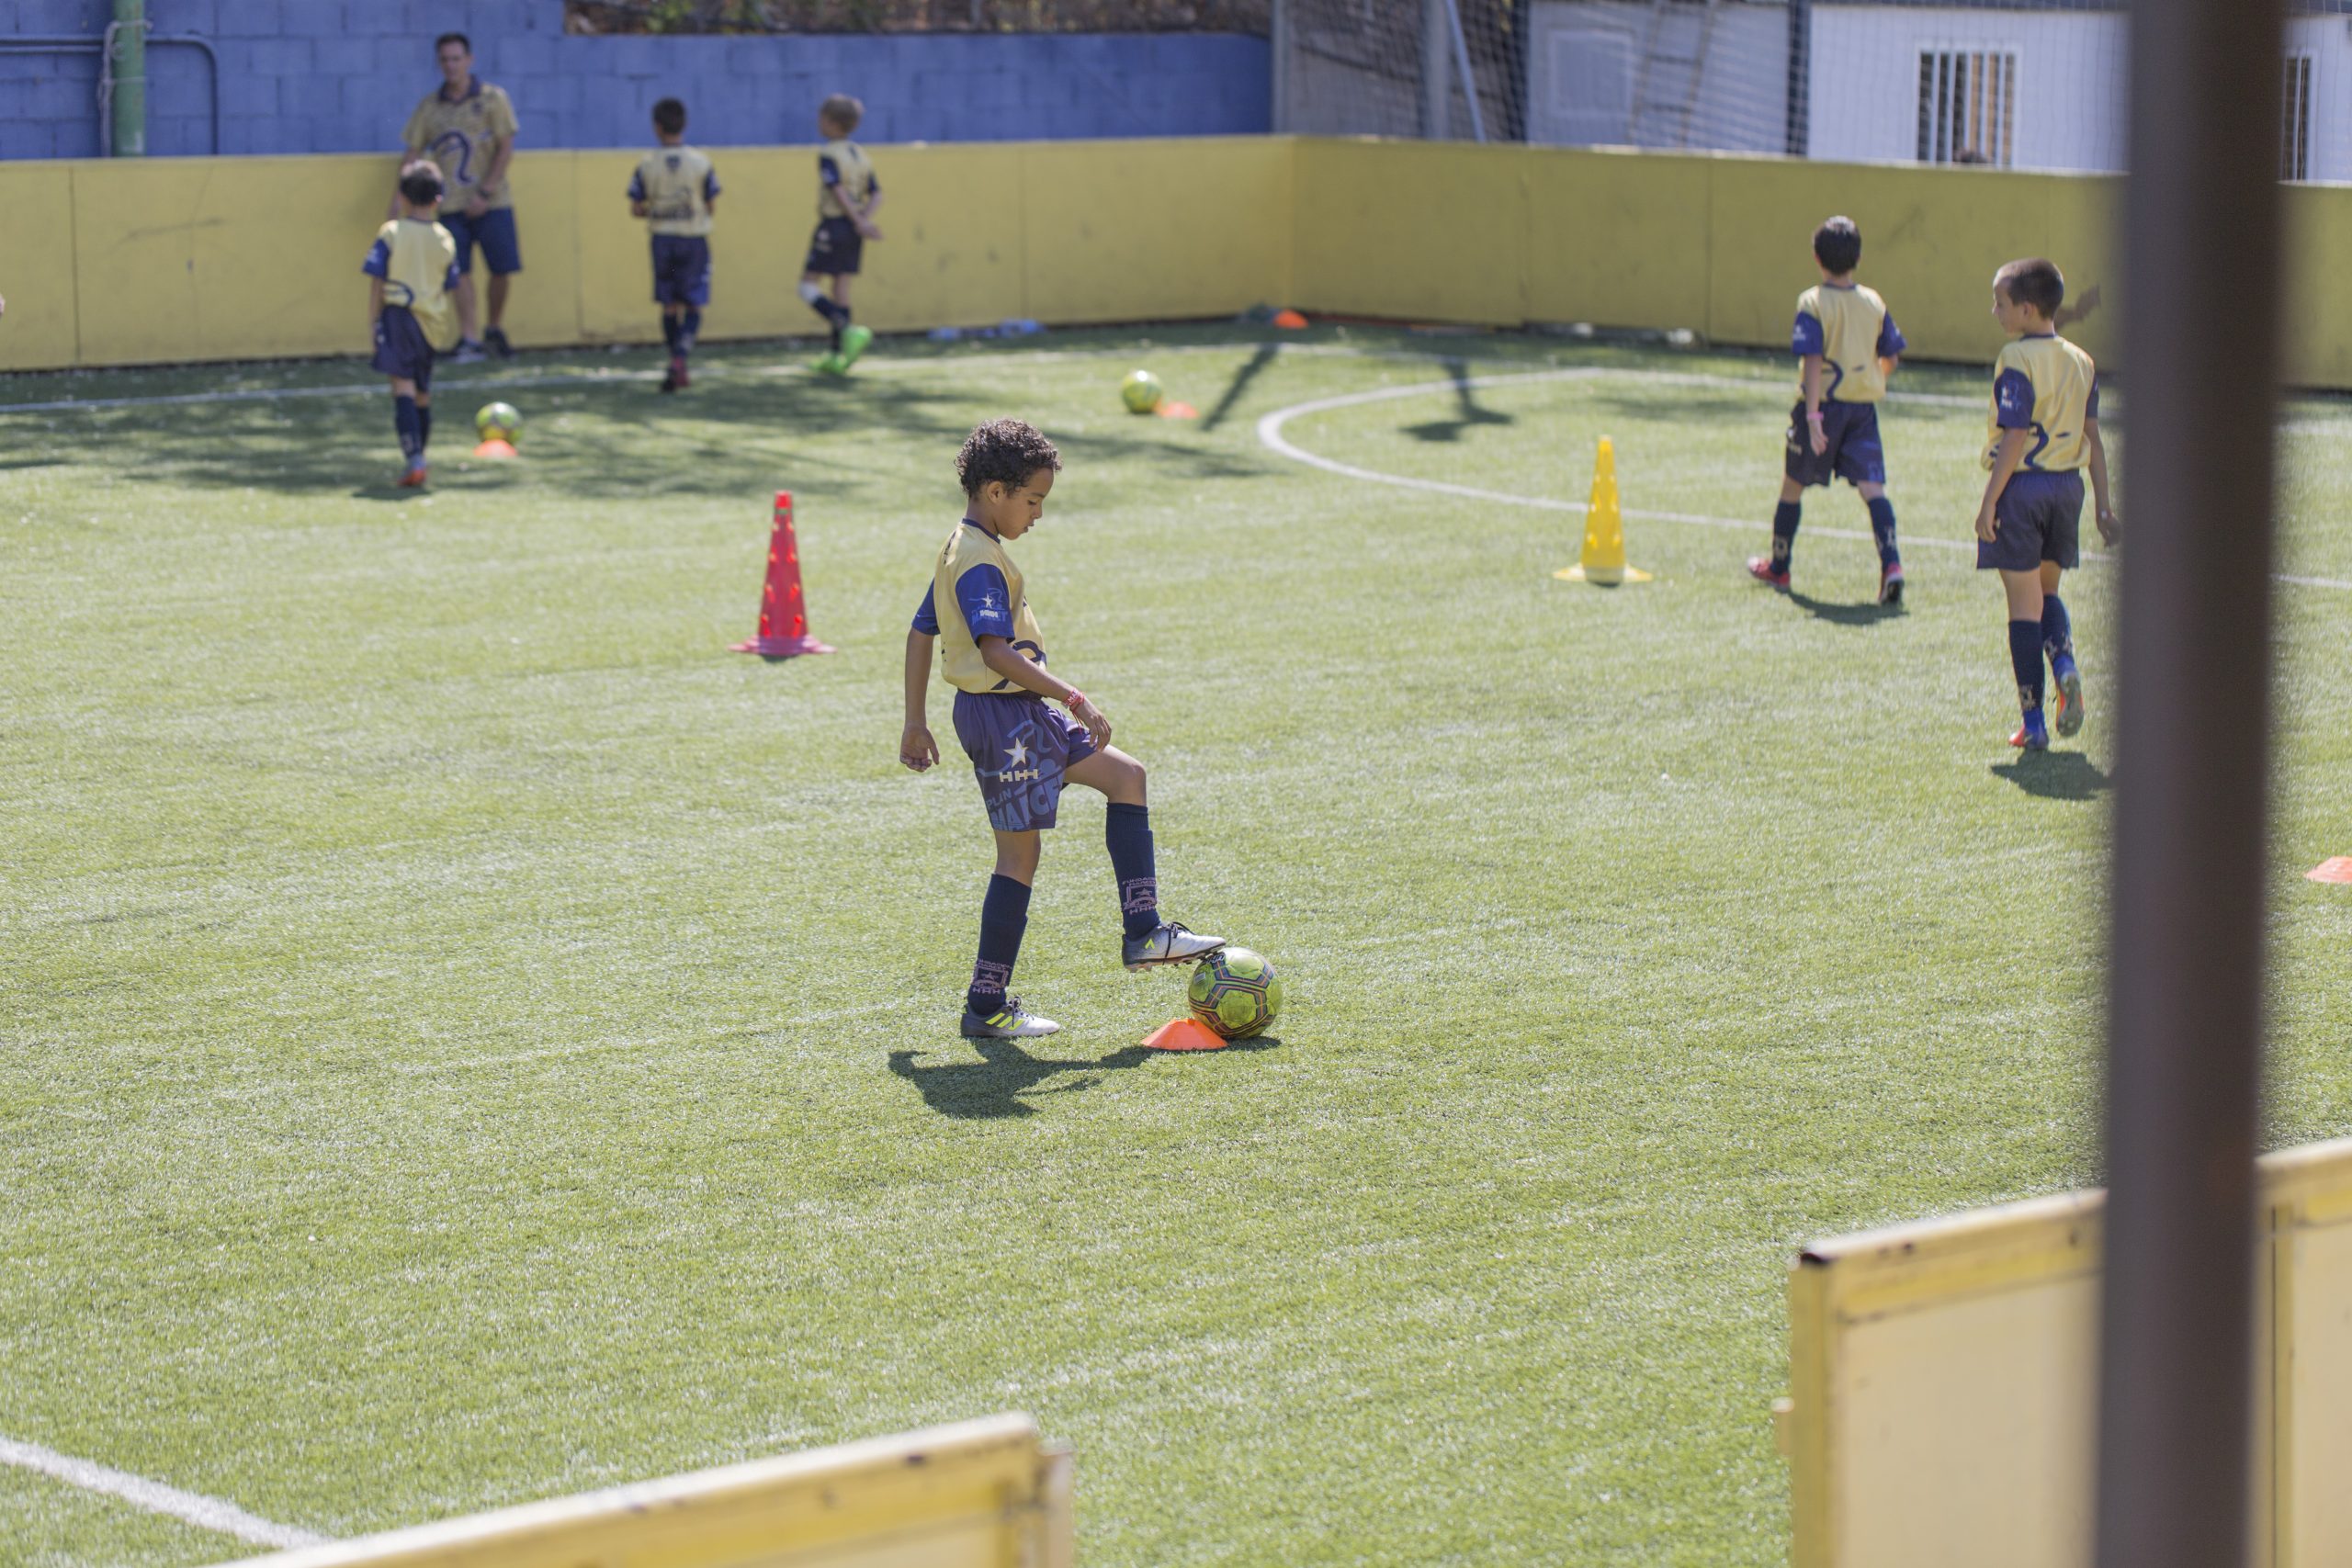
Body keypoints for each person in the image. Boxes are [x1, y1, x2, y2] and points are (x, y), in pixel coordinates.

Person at [899, 419, 1226, 1040]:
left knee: (1127, 775)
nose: (1038, 514)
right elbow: (995, 652)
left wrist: (916, 721)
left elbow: (922, 630)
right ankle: (986, 1003)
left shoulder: (964, 546)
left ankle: (1143, 930)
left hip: (1022, 712)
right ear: (995, 490)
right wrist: (1073, 695)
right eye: (1033, 500)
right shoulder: (975, 561)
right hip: (1004, 716)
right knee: (1020, 856)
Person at [1974, 257, 2121, 750]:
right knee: (2048, 592)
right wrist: (2103, 506)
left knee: (2022, 607)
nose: (1994, 310)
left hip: (2024, 489)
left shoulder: (2016, 359)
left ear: (2027, 309)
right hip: (2067, 490)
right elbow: (2094, 439)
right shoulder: (2082, 361)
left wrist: (1989, 501)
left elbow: (2015, 434)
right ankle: (2064, 664)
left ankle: (2033, 723)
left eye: (2001, 302)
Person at [1748, 216, 1910, 604]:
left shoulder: (1813, 302)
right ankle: (1892, 564)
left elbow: (1813, 359)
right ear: (1858, 257)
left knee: (1793, 485)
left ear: (1817, 257)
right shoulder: (1873, 301)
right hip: (1862, 410)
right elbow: (1891, 354)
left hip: (1825, 410)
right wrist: (1872, 378)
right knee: (1874, 489)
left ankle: (1780, 568)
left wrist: (1813, 415)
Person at [396, 32, 520, 364]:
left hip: (493, 201)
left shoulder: (493, 99)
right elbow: (413, 151)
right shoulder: (430, 107)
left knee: (501, 269)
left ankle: (493, 327)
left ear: (469, 60)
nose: (451, 65)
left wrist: (485, 191)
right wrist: (400, 196)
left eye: (456, 58)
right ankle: (470, 337)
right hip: (449, 204)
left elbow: (505, 149)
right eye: (445, 60)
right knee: (459, 271)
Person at [364, 160, 460, 489]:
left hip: (399, 316)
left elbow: (377, 279)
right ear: (438, 198)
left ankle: (414, 460)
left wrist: (374, 319)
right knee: (422, 393)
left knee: (401, 388)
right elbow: (450, 282)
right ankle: (421, 457)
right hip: (432, 324)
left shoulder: (392, 232)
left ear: (402, 196)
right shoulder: (446, 238)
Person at [629, 97, 720, 394]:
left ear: (657, 127)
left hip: (663, 240)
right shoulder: (700, 162)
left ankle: (673, 359)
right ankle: (680, 358)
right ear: (684, 124)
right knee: (693, 302)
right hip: (694, 240)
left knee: (669, 305)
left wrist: (652, 209)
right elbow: (711, 203)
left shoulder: (647, 164)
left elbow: (636, 206)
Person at [799, 94, 882, 376]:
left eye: (822, 118)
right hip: (852, 228)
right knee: (840, 289)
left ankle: (848, 332)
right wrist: (862, 222)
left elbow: (837, 191)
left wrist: (856, 219)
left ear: (831, 123)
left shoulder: (829, 153)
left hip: (834, 224)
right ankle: (838, 357)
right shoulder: (860, 154)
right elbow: (877, 194)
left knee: (807, 287)